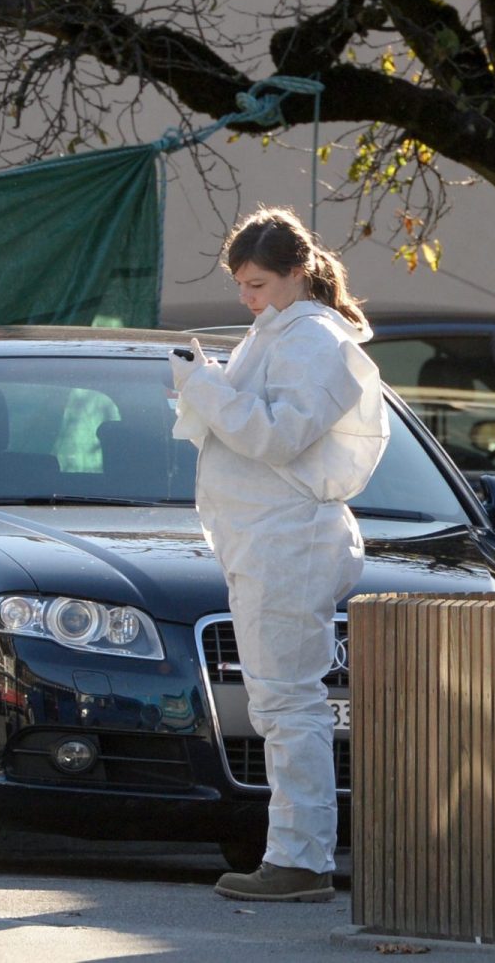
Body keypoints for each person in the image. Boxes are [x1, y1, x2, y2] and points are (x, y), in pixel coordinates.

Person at [168, 206, 391, 902]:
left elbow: (276, 437)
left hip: (288, 538)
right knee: (280, 702)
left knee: (289, 703)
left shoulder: (312, 339)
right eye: (240, 284)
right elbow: (262, 430)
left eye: (258, 283)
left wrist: (201, 386)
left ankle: (300, 861)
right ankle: (296, 855)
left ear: (298, 274)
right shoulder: (284, 331)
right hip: (270, 536)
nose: (247, 298)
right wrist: (205, 384)